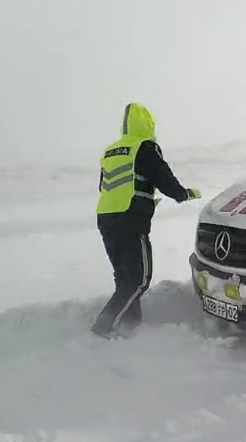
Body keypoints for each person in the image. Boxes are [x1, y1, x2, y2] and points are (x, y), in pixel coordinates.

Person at [92, 102, 202, 339]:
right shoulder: (145, 147)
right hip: (130, 220)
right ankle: (104, 327)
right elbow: (164, 179)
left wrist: (145, 200)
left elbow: (110, 186)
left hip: (106, 218)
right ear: (147, 125)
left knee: (124, 277)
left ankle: (131, 325)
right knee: (139, 280)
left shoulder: (111, 150)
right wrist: (184, 194)